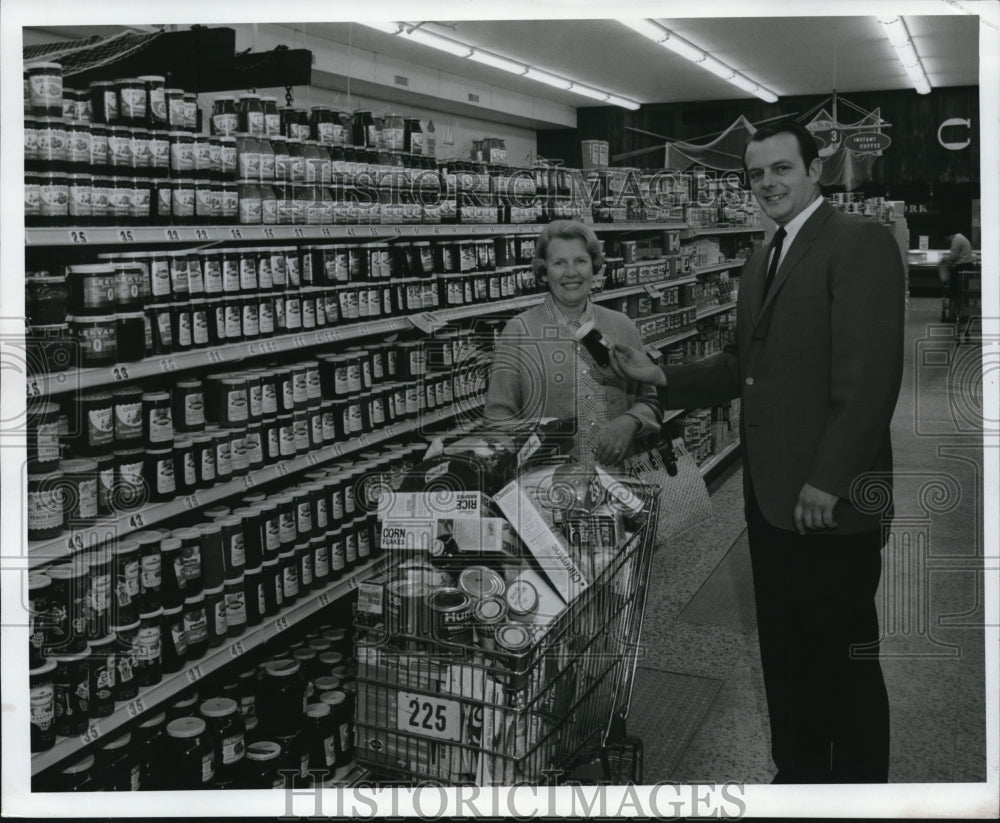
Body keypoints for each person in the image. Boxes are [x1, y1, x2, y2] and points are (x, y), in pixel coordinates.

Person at [610, 120, 904, 783]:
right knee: (786, 647)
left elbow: (870, 381)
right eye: (756, 173)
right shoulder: (759, 259)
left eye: (781, 168)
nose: (768, 182)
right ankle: (798, 769)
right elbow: (744, 364)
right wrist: (660, 374)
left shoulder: (860, 243)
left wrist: (830, 479)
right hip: (770, 499)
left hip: (830, 503)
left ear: (814, 171)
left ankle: (855, 786)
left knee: (843, 655)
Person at [483, 220, 660, 467]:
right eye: (559, 263)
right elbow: (498, 418)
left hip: (621, 485)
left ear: (594, 266)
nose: (571, 273)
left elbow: (651, 400)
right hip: (547, 491)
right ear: (544, 272)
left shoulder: (622, 326)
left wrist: (632, 420)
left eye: (580, 261)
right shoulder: (518, 332)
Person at [938, 228, 973, 321]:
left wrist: (944, 259)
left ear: (948, 236)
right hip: (967, 267)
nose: (948, 241)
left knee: (953, 292)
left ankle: (951, 316)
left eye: (947, 239)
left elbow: (954, 256)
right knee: (963, 292)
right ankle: (964, 314)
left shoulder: (956, 240)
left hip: (960, 268)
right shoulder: (962, 238)